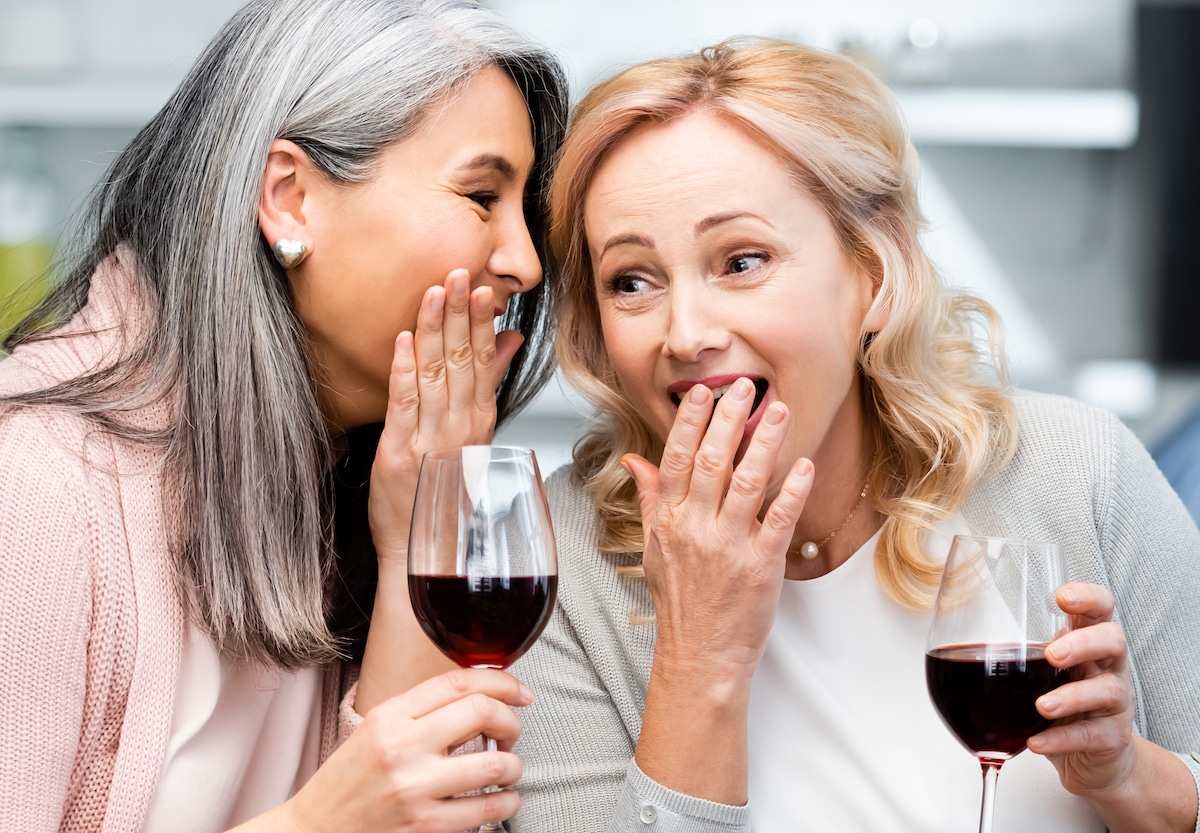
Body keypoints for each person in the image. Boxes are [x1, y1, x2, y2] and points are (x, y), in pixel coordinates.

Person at [507, 37, 1200, 833]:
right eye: (632, 280)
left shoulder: (1076, 469)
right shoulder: (561, 556)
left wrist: (1129, 777)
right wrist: (700, 662)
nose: (686, 333)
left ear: (876, 269)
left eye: (741, 260)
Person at [0, 0, 567, 830]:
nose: (523, 261)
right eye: (483, 196)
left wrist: (419, 528)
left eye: (528, 216)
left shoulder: (354, 475)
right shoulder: (35, 482)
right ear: (291, 198)